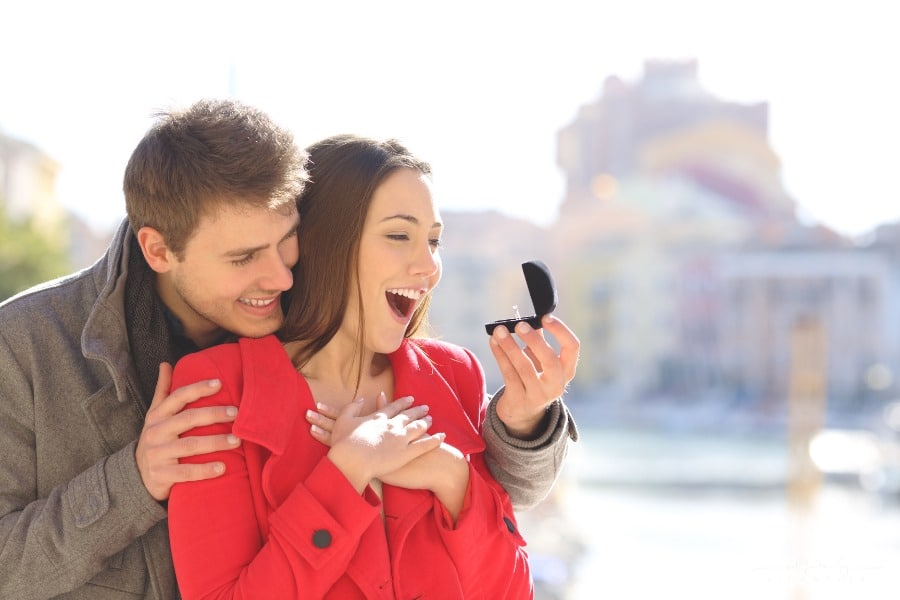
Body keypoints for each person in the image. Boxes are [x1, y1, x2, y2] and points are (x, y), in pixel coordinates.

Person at [0, 99, 578, 599]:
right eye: (244, 257)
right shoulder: (37, 346)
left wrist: (499, 439)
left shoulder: (448, 372)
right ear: (160, 251)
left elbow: (507, 517)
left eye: (287, 241)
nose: (281, 277)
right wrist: (134, 480)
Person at [168, 134, 544, 598]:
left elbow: (509, 591)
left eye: (433, 241)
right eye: (399, 236)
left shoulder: (456, 375)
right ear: (326, 242)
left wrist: (453, 477)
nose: (429, 266)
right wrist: (348, 470)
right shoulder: (217, 389)